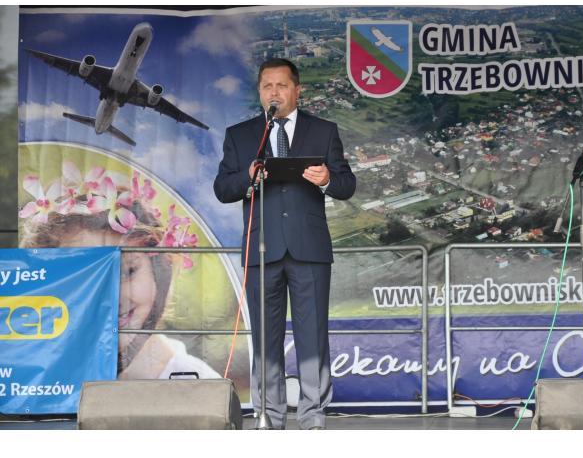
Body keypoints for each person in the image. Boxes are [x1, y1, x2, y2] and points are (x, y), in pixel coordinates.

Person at [214, 58, 356, 429]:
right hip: (262, 250)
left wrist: (326, 179)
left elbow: (347, 185)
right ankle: (268, 416)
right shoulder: (241, 135)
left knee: (313, 335)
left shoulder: (323, 131)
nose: (273, 92)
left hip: (310, 250)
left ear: (297, 90)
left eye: (281, 85)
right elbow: (222, 188)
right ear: (260, 92)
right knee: (266, 338)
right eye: (267, 86)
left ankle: (312, 416)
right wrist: (246, 176)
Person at [19, 163, 221, 380]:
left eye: (127, 272)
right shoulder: (32, 378)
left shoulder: (197, 384)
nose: (111, 297)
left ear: (159, 269)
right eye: (85, 278)